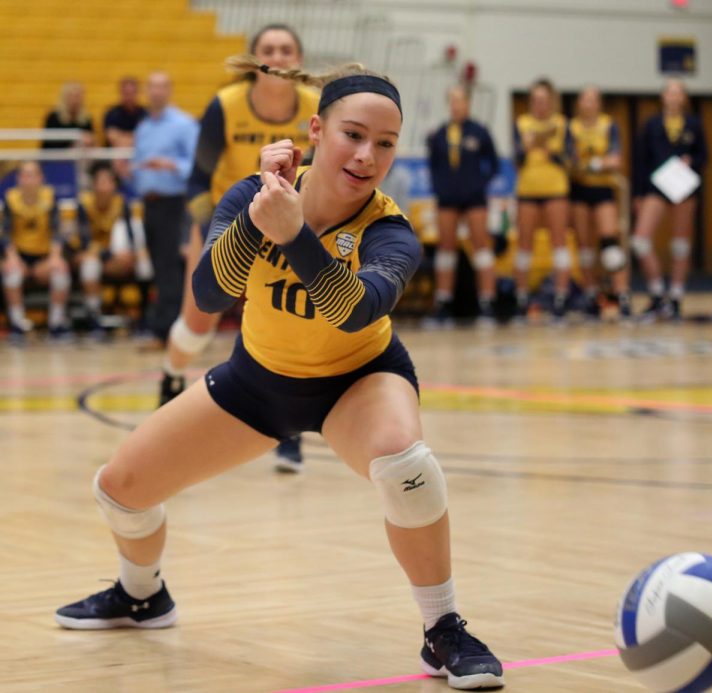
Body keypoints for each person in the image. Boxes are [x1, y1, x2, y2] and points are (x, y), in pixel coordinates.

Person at [54, 63, 504, 690]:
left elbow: (351, 313)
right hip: (255, 384)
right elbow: (210, 294)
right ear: (316, 129)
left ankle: (444, 628)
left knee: (408, 467)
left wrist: (293, 235)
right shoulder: (251, 195)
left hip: (358, 381)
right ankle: (141, 595)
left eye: (385, 143)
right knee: (118, 489)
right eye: (353, 134)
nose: (367, 155)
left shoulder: (391, 232)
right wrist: (259, 216)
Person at [158, 24, 319, 473]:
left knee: (294, 327)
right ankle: (171, 374)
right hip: (226, 219)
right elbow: (196, 180)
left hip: (289, 222)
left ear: (299, 58)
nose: (278, 55)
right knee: (196, 325)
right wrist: (217, 233)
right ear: (254, 60)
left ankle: (290, 435)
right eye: (268, 49)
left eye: (287, 48)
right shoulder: (225, 105)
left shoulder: (315, 108)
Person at [131, 72, 199, 346]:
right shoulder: (144, 127)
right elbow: (139, 165)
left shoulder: (183, 125)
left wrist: (171, 165)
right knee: (159, 268)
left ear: (169, 91)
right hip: (150, 205)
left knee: (171, 268)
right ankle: (164, 328)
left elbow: (195, 165)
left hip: (174, 204)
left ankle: (168, 333)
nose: (156, 92)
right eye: (152, 87)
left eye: (161, 87)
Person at [424, 85, 500, 326]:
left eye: (461, 101)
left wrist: (480, 184)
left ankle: (487, 303)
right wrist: (440, 188)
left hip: (475, 199)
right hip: (447, 199)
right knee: (446, 250)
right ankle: (443, 303)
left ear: (468, 104)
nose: (457, 105)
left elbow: (494, 163)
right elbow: (434, 165)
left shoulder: (479, 131)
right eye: (453, 101)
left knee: (481, 248)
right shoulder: (440, 134)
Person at [632, 79, 707, 322]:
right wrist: (639, 193)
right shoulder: (652, 124)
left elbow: (704, 155)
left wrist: (691, 162)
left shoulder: (694, 124)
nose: (674, 97)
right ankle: (657, 292)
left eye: (678, 93)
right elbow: (641, 160)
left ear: (684, 98)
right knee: (641, 240)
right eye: (670, 92)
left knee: (680, 244)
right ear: (663, 96)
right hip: (656, 186)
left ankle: (675, 296)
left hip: (683, 186)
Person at [513, 78, 573, 321]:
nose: (540, 105)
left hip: (555, 189)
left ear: (552, 101)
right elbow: (516, 159)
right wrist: (526, 148)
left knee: (559, 243)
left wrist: (552, 150)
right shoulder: (522, 123)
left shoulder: (561, 124)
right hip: (528, 189)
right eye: (536, 100)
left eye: (544, 100)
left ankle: (560, 298)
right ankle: (522, 298)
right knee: (524, 244)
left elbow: (570, 160)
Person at [569, 86, 631, 320]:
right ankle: (591, 295)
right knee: (584, 248)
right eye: (585, 99)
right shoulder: (572, 127)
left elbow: (616, 159)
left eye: (593, 99)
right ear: (579, 103)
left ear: (599, 103)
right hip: (579, 190)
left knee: (611, 245)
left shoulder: (608, 125)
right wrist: (591, 164)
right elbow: (570, 159)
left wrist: (593, 164)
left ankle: (622, 294)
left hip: (603, 188)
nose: (589, 104)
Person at [68, 161, 146, 333]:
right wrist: (110, 255)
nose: (104, 187)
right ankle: (94, 317)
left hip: (113, 257)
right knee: (90, 265)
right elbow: (85, 241)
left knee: (142, 264)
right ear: (93, 185)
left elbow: (130, 236)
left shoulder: (121, 203)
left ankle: (142, 317)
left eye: (108, 182)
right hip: (89, 254)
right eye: (100, 182)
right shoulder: (84, 203)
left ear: (114, 184)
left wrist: (130, 253)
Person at [0, 161, 72, 338]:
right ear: (18, 179)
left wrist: (55, 257)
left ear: (41, 178)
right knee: (11, 274)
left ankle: (56, 324)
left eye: (32, 175)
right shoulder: (11, 199)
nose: (28, 180)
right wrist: (12, 258)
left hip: (44, 256)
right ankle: (17, 325)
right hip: (20, 254)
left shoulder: (49, 197)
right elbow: (5, 233)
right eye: (24, 175)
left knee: (60, 271)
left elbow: (57, 230)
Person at [41, 82, 95, 149]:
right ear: (64, 97)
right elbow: (48, 143)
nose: (75, 100)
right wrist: (73, 144)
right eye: (71, 96)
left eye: (77, 96)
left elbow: (91, 141)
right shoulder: (53, 117)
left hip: (78, 155)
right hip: (55, 155)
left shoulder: (86, 119)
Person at [103, 77, 147, 147]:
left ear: (137, 93)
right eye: (126, 93)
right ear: (121, 93)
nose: (129, 97)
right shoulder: (112, 113)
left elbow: (148, 137)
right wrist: (135, 136)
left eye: (132, 93)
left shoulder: (146, 114)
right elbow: (113, 138)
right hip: (116, 155)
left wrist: (122, 135)